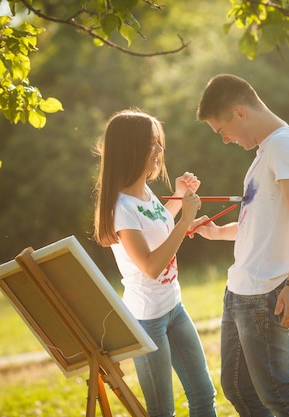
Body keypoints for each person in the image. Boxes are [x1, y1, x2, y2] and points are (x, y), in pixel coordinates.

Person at [193, 74, 289, 417]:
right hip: (239, 291)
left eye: (222, 130)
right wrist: (216, 232)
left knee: (277, 392)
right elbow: (259, 224)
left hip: (265, 293)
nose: (225, 140)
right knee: (238, 389)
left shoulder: (284, 146)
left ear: (240, 112)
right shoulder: (264, 153)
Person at [93, 109, 217, 417]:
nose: (159, 150)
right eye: (152, 143)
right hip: (147, 321)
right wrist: (185, 218)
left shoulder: (144, 194)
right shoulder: (121, 209)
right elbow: (150, 266)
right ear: (131, 149)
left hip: (173, 307)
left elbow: (158, 226)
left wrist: (177, 198)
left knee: (203, 394)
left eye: (158, 142)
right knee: (163, 411)